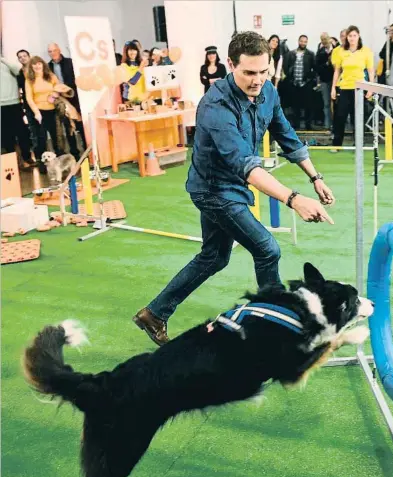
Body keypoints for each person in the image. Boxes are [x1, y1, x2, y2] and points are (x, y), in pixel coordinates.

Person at [133, 31, 335, 346]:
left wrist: (315, 176)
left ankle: (155, 313)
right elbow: (247, 165)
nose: (258, 80)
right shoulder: (215, 106)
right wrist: (293, 199)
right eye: (249, 73)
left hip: (235, 186)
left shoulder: (268, 90)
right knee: (268, 249)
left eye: (264, 71)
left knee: (214, 257)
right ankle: (275, 327)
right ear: (230, 64)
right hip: (213, 190)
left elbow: (285, 132)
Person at [330, 25, 374, 150]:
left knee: (358, 117)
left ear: (358, 36)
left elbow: (371, 71)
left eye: (354, 36)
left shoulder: (366, 51)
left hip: (360, 89)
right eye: (350, 36)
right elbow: (337, 71)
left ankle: (359, 144)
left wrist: (371, 88)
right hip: (345, 87)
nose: (352, 38)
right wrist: (333, 88)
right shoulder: (341, 52)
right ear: (347, 38)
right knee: (340, 116)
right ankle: (337, 145)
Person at [1, 56, 34, 168]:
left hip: (14, 103)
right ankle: (13, 162)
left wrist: (2, 59)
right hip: (1, 106)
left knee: (22, 133)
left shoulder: (7, 62)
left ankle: (27, 157)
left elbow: (17, 70)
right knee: (6, 136)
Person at [283, 35, 316, 130]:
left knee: (308, 106)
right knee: (295, 105)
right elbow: (286, 67)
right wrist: (290, 78)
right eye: (302, 41)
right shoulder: (291, 54)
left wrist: (310, 79)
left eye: (305, 41)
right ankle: (296, 125)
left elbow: (314, 68)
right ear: (298, 41)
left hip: (306, 83)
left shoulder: (310, 54)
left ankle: (308, 125)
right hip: (294, 83)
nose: (303, 43)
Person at [315, 32, 335, 130]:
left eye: (325, 38)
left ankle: (336, 125)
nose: (324, 41)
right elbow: (317, 67)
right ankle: (328, 125)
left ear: (329, 38)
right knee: (326, 104)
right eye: (322, 39)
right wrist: (327, 63)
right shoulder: (320, 52)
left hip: (336, 80)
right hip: (324, 81)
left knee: (336, 104)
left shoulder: (336, 49)